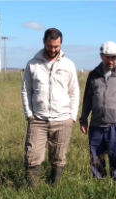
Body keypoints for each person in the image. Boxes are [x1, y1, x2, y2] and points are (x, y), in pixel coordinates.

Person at [21, 28, 80, 187]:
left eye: (56, 46)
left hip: (63, 119)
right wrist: (29, 115)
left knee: (58, 158)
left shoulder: (68, 65)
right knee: (32, 156)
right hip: (38, 119)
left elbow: (74, 92)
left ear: (61, 44)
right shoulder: (32, 64)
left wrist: (72, 117)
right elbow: (26, 90)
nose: (53, 50)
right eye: (50, 46)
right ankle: (31, 192)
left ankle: (54, 190)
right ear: (44, 42)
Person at [79, 41, 116, 182]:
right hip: (96, 124)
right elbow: (87, 99)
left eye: (114, 57)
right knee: (96, 156)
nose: (111, 60)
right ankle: (100, 182)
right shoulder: (93, 75)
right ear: (101, 56)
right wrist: (83, 119)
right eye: (108, 57)